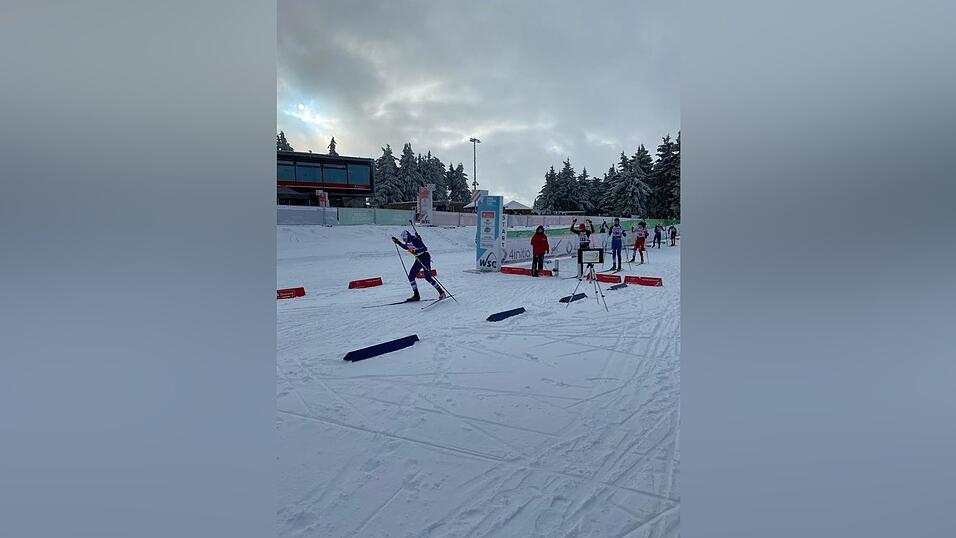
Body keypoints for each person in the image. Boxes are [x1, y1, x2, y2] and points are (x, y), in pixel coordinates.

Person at [391, 230, 445, 301]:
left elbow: (424, 248)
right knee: (411, 276)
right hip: (418, 259)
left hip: (425, 258)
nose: (404, 240)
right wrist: (397, 242)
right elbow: (406, 247)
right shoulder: (408, 242)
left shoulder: (415, 239)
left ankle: (441, 292)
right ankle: (416, 295)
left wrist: (415, 251)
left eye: (405, 239)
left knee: (427, 277)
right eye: (403, 239)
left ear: (408, 236)